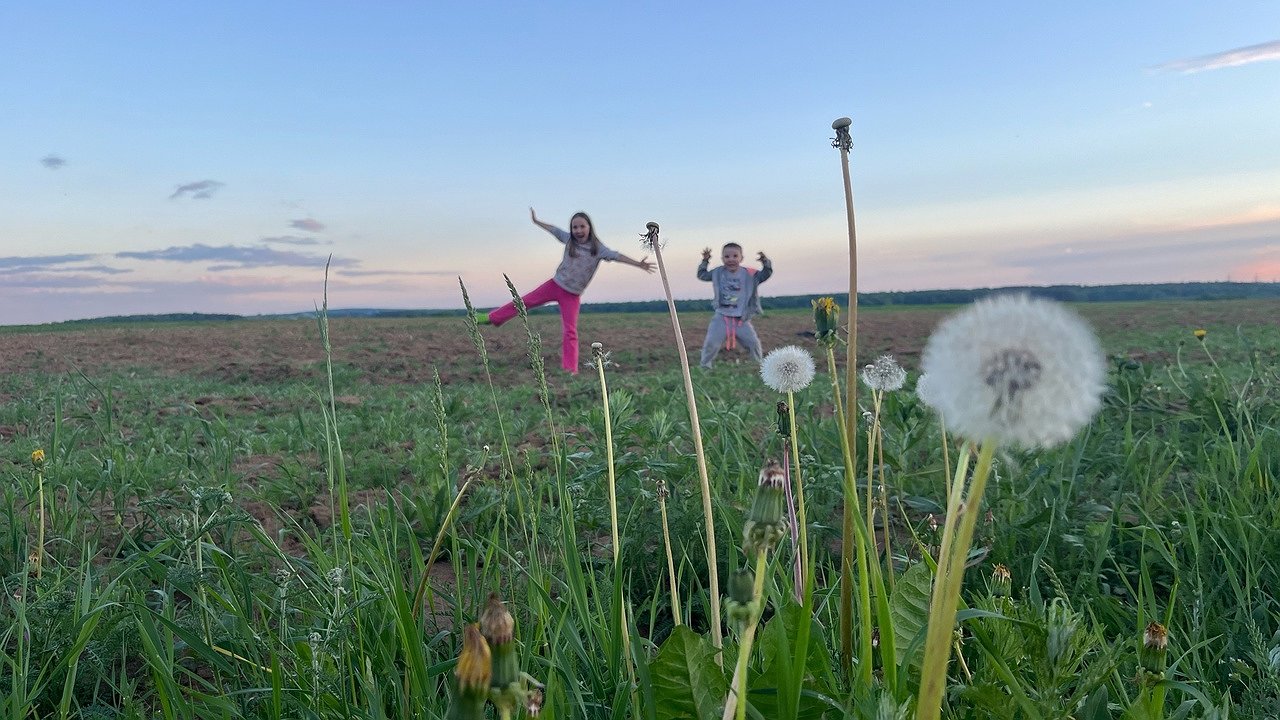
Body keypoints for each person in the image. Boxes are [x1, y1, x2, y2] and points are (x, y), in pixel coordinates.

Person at [477, 208, 654, 374]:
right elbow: (553, 230)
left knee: (570, 331)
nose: (578, 230)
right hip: (554, 285)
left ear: (589, 228)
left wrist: (639, 264)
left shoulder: (598, 249)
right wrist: (536, 221)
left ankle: (570, 370)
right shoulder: (569, 239)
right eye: (574, 227)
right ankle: (491, 318)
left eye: (582, 226)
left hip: (572, 295)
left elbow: (617, 256)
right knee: (522, 302)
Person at [697, 243, 772, 368]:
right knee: (711, 343)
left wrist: (765, 261)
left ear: (741, 258)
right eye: (727, 256)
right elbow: (702, 275)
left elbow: (765, 274)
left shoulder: (750, 273)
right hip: (721, 317)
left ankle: (758, 367)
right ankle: (705, 367)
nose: (731, 259)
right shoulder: (717, 272)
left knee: (753, 343)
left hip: (741, 319)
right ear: (722, 259)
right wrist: (705, 260)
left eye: (735, 256)